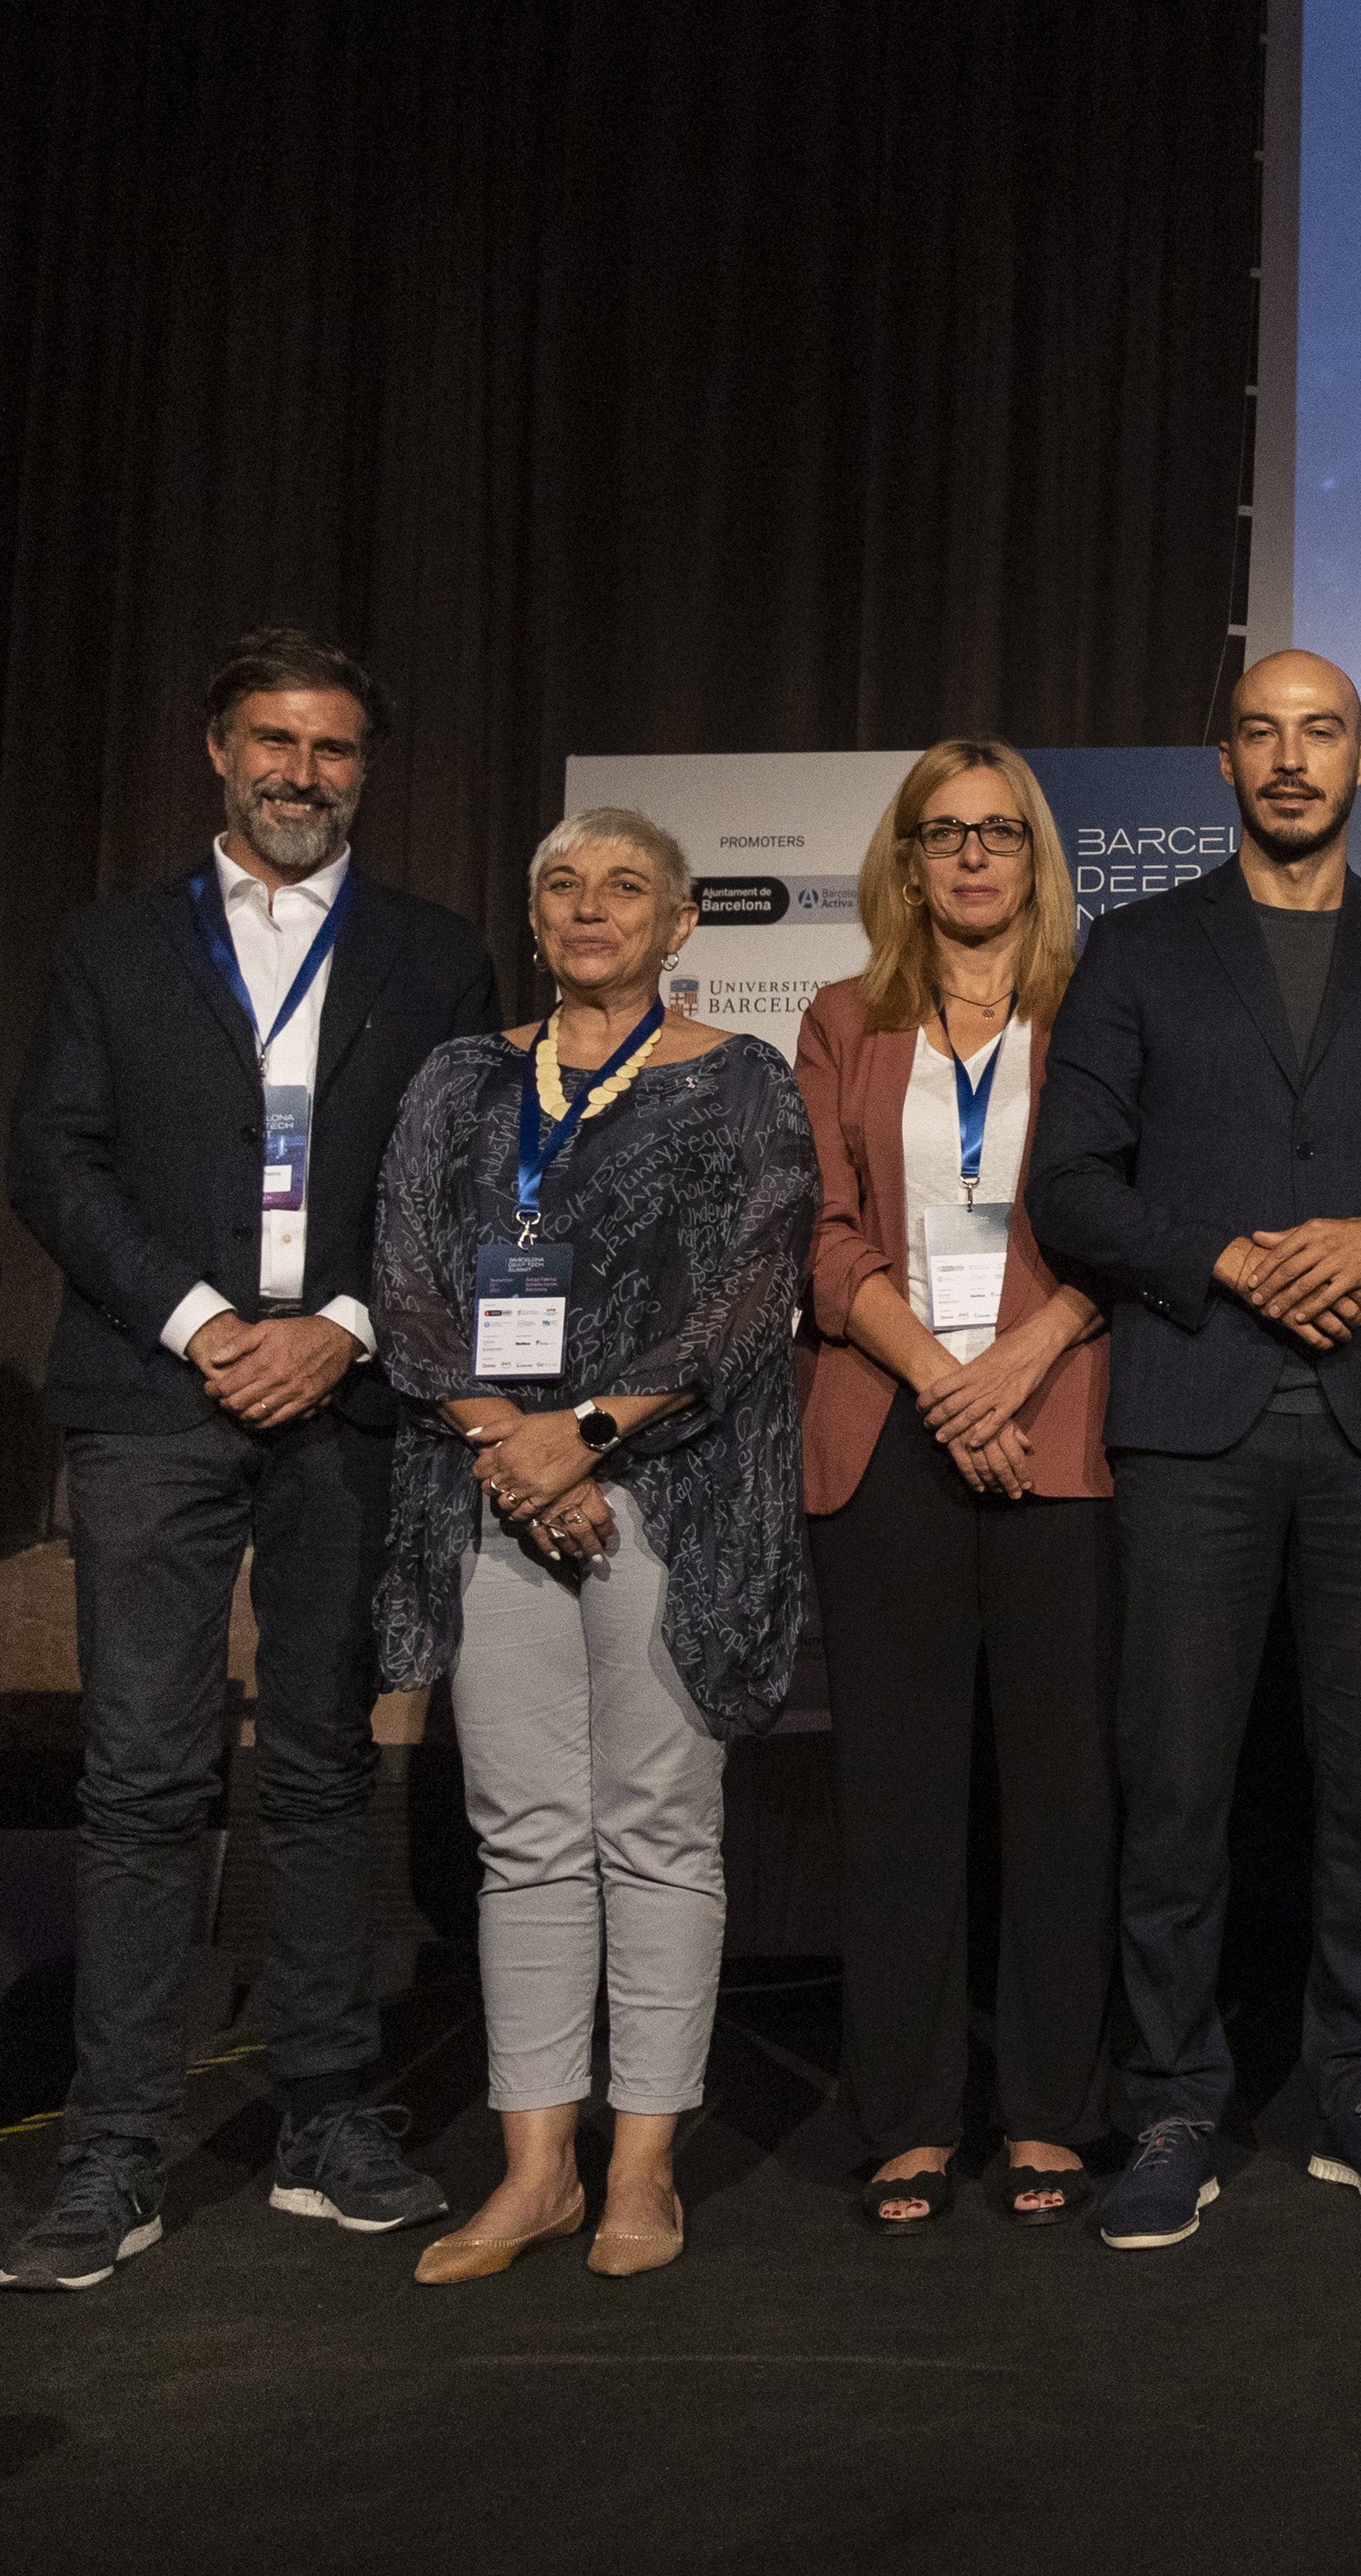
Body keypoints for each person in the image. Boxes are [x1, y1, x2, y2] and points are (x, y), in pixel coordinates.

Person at [0, 630, 499, 2291]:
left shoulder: (433, 955)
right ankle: (116, 2144)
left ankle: (327, 2112)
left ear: (369, 768)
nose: (303, 772)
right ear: (218, 750)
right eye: (275, 742)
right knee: (142, 1775)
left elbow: (466, 1179)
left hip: (344, 1398)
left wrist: (343, 1326)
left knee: (324, 1764)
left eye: (335, 749)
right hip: (156, 1397)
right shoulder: (108, 945)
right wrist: (211, 1320)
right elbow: (55, 1162)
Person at [1027, 651, 1361, 2250]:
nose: (1292, 760)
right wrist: (1218, 1255)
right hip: (1194, 1422)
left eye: (1322, 733)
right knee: (1180, 1788)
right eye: (1264, 735)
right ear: (1224, 763)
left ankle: (1360, 2080)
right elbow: (1071, 1185)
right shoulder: (1138, 951)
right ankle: (1171, 2103)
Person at [369, 807, 815, 2282]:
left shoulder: (740, 1080)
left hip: (667, 1494)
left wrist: (593, 1435)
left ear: (681, 924)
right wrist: (515, 1441)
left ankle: (642, 2166)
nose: (590, 905)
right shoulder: (457, 1080)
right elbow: (411, 1280)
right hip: (494, 1491)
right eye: (561, 881)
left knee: (658, 1830)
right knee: (525, 1842)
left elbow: (753, 1289)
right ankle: (533, 2166)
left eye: (626, 885)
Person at [796, 741, 1115, 2234]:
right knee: (899, 1800)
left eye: (1000, 832)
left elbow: (1123, 1217)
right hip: (894, 1427)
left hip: (1060, 1426)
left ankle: (1052, 2108)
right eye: (945, 834)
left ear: (1035, 856)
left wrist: (1022, 1360)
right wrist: (942, 1376)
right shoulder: (844, 1020)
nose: (974, 857)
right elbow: (823, 1233)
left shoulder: (1094, 1010)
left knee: (1062, 1799)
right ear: (907, 858)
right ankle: (909, 2115)